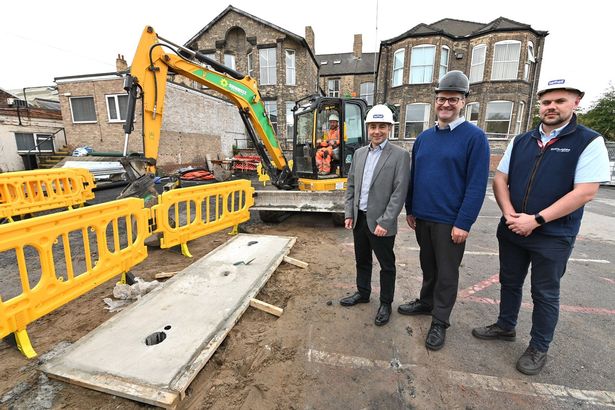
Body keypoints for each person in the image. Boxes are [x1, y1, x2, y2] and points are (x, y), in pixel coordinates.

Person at [472, 78, 610, 375]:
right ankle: (506, 325)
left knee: (545, 293)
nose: (551, 107)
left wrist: (536, 220)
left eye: (560, 101)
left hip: (553, 235)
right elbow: (500, 179)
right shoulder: (522, 140)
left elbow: (585, 191)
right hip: (512, 228)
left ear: (576, 102)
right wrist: (511, 215)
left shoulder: (588, 141)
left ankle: (539, 346)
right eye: (546, 102)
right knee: (509, 281)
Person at [398, 70, 490, 351]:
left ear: (463, 101)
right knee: (429, 266)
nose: (446, 104)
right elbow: (416, 176)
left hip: (450, 222)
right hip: (423, 218)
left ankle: (440, 320)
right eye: (441, 99)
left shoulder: (474, 138)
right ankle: (426, 302)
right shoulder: (424, 138)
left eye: (452, 99)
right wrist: (410, 208)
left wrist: (464, 222)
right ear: (435, 101)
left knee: (447, 273)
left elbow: (476, 185)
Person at [340, 104, 410, 326]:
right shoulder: (359, 154)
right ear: (367, 128)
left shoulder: (400, 155)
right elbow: (351, 186)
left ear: (389, 128)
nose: (377, 131)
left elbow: (399, 193)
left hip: (381, 223)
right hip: (360, 218)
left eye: (382, 126)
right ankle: (363, 292)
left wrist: (386, 221)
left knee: (386, 265)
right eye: (373, 126)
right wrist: (349, 213)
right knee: (362, 260)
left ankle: (386, 303)